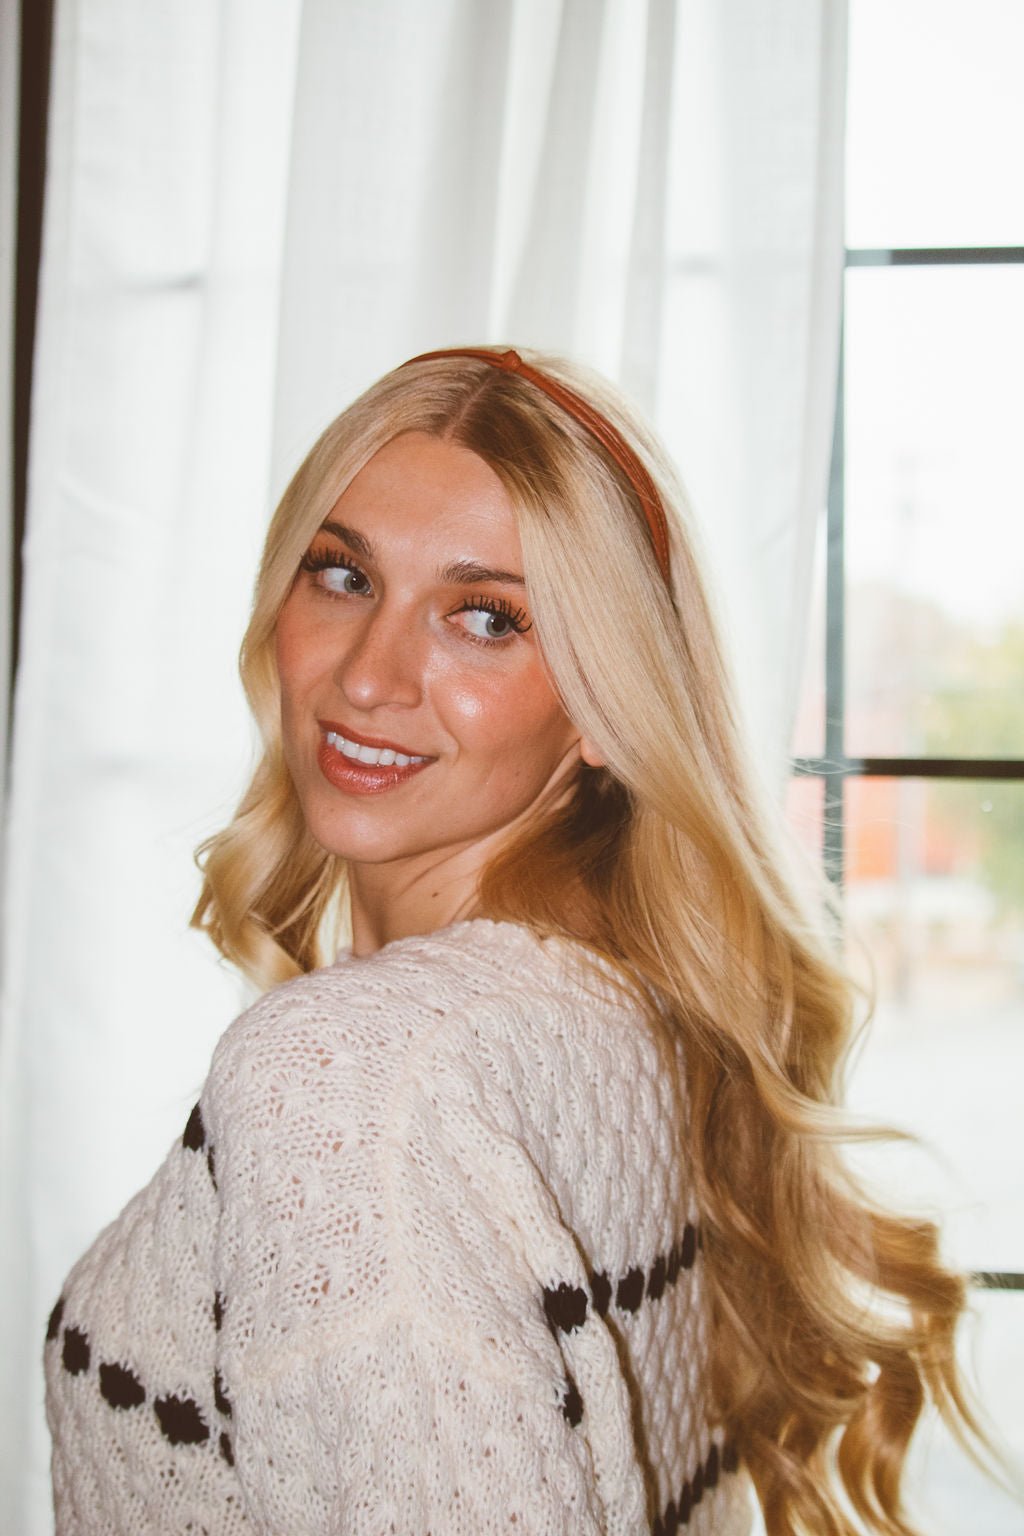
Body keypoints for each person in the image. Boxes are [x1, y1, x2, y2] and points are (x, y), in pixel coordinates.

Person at [45, 346, 987, 1535]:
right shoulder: (621, 1013)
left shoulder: (353, 1076)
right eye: (342, 575)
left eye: (484, 617)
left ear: (602, 701)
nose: (369, 677)